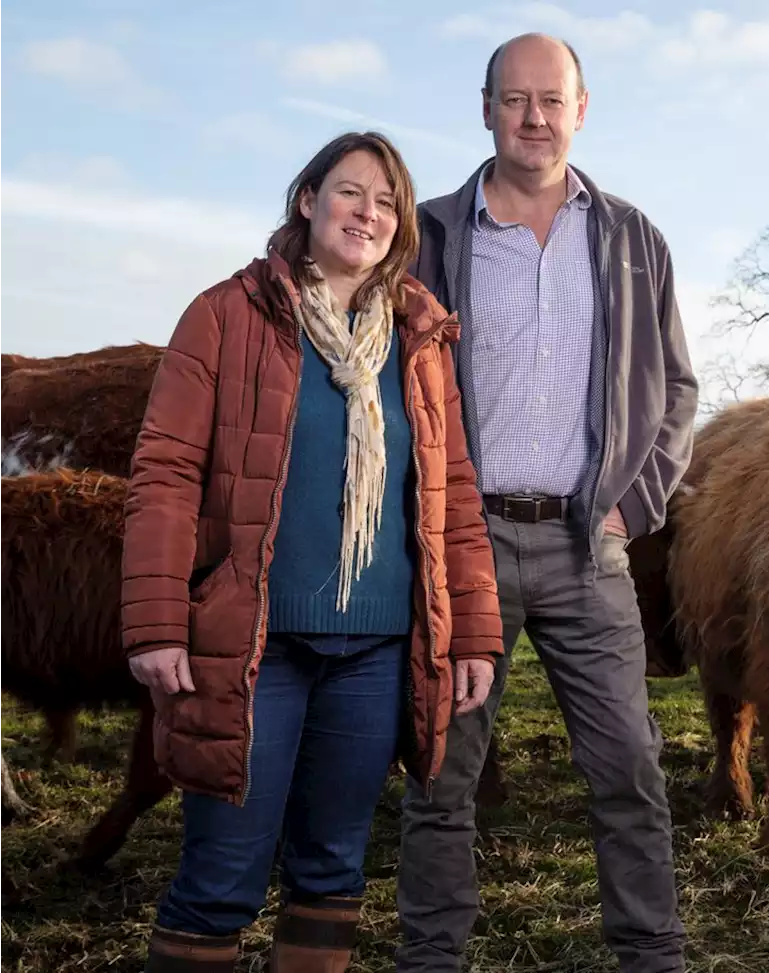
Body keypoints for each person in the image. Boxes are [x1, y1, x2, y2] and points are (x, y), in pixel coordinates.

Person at [121, 130, 504, 973]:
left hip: (374, 653)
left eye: (386, 200)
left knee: (330, 870)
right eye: (348, 192)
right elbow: (166, 472)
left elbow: (454, 495)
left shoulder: (419, 335)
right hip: (254, 647)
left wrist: (473, 631)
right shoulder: (227, 314)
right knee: (223, 872)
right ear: (307, 200)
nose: (367, 213)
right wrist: (154, 621)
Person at [396, 31, 698, 973]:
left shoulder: (633, 238)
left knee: (629, 771)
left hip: (586, 543)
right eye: (515, 98)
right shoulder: (430, 236)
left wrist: (627, 506)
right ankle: (431, 957)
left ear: (582, 108)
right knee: (442, 775)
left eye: (551, 99)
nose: (534, 117)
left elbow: (678, 389)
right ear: (485, 107)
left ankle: (652, 954)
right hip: (462, 541)